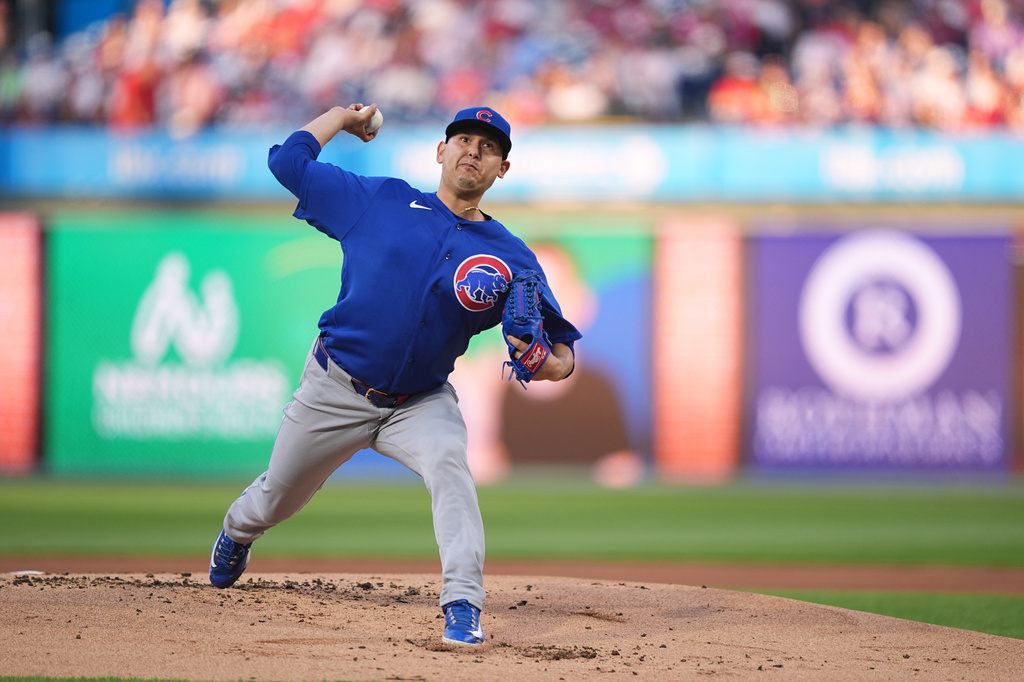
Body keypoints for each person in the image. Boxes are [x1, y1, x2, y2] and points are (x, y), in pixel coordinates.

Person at [207, 103, 582, 647]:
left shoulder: (511, 257)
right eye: (462, 140)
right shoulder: (379, 200)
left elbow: (564, 352)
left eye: (488, 146)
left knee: (451, 467)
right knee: (276, 499)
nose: (472, 150)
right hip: (335, 386)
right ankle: (237, 532)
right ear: (441, 151)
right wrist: (338, 117)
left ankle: (463, 605)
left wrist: (546, 364)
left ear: (502, 169)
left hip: (420, 402)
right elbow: (287, 161)